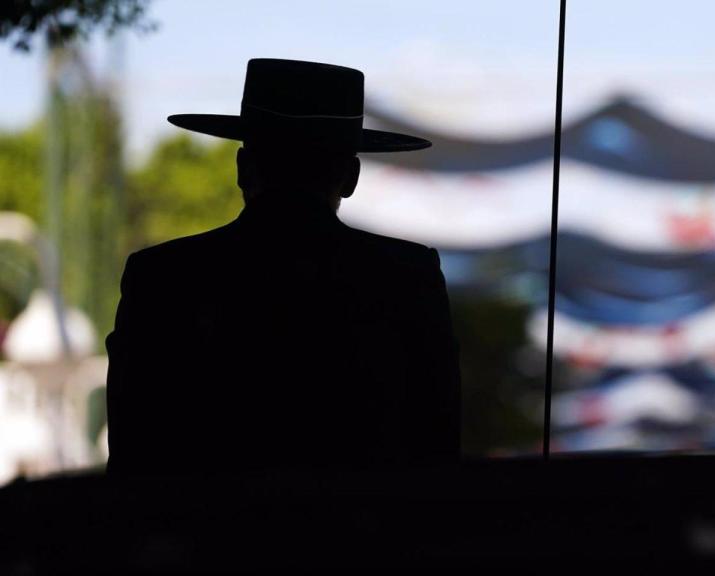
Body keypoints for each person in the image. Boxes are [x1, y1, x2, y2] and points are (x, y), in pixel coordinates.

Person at [105, 58, 460, 475]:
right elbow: (437, 450)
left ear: (242, 168)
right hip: (364, 535)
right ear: (351, 177)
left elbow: (133, 453)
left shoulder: (162, 277)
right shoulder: (407, 276)